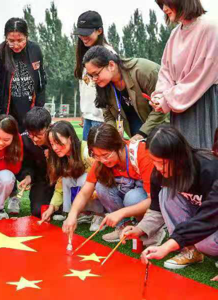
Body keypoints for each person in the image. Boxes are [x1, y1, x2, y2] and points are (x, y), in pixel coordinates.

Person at [120, 125, 218, 280]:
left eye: (162, 162)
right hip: (201, 220)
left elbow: (210, 217)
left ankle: (198, 246)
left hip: (211, 220)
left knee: (205, 243)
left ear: (178, 157)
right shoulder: (159, 173)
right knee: (166, 193)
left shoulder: (209, 170)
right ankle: (189, 250)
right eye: (154, 161)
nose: (158, 168)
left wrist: (169, 244)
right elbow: (156, 208)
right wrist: (140, 229)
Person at [62, 123, 166, 245]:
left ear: (118, 146)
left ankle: (152, 229)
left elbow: (153, 199)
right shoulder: (101, 161)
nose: (103, 160)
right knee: (101, 187)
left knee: (132, 198)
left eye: (106, 155)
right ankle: (124, 226)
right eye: (97, 156)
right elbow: (85, 192)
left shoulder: (141, 154)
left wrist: (120, 213)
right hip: (129, 190)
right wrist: (72, 214)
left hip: (148, 196)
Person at [151, 0, 218, 149]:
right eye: (161, 4)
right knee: (182, 158)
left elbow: (202, 75)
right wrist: (160, 95)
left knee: (202, 156)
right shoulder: (175, 33)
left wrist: (168, 99)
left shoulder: (210, 27)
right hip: (179, 105)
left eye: (166, 3)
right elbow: (166, 69)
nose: (164, 9)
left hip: (202, 102)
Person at [83, 46, 169, 142]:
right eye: (91, 75)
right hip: (135, 135)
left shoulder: (144, 71)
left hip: (164, 133)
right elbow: (108, 116)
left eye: (96, 74)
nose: (94, 79)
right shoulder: (103, 84)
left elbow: (161, 108)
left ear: (111, 65)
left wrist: (142, 134)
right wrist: (113, 134)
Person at [41, 121, 105, 231]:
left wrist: (96, 192)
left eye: (58, 142)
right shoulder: (61, 158)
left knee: (84, 179)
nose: (55, 148)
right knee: (66, 179)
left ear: (70, 138)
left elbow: (103, 174)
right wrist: (51, 207)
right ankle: (77, 213)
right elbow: (60, 186)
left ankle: (100, 214)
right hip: (86, 192)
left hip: (100, 189)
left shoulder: (86, 150)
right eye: (52, 144)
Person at [0, 17, 47, 132]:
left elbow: (41, 81)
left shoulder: (35, 50)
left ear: (27, 37)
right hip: (6, 112)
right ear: (6, 38)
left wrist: (38, 110)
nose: (16, 45)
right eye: (11, 41)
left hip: (30, 111)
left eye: (20, 40)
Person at [73, 11, 114, 141]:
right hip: (89, 116)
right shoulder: (84, 54)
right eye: (80, 33)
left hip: (103, 118)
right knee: (87, 157)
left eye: (87, 33)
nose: (83, 37)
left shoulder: (109, 54)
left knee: (99, 157)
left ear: (99, 31)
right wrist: (84, 113)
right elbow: (84, 86)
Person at [15, 107, 54, 218]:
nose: (34, 139)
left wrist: (53, 155)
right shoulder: (24, 140)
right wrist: (28, 176)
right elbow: (26, 164)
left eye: (39, 135)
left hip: (61, 179)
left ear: (48, 127)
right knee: (38, 211)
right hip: (41, 180)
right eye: (31, 134)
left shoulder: (58, 136)